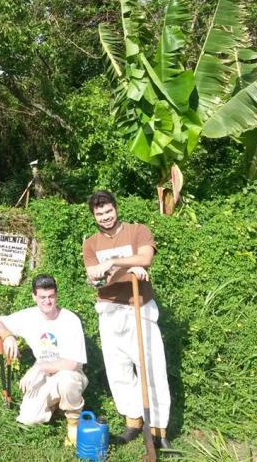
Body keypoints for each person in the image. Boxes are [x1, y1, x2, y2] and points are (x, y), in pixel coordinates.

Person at [82, 190, 172, 449]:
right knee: (118, 368)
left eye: (108, 211)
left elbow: (145, 257)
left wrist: (115, 262)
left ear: (116, 208)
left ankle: (158, 429)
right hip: (109, 310)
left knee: (151, 367)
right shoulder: (91, 243)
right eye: (99, 214)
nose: (105, 217)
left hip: (139, 308)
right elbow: (92, 277)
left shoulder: (137, 231)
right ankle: (134, 422)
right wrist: (97, 276)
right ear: (94, 216)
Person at [0, 274, 88, 446]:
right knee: (28, 419)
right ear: (34, 296)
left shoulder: (70, 320)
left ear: (56, 295)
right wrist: (7, 336)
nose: (47, 301)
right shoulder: (28, 316)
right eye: (42, 297)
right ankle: (55, 404)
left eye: (51, 296)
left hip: (69, 373)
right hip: (43, 376)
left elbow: (73, 363)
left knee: (67, 380)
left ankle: (73, 423)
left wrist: (40, 366)